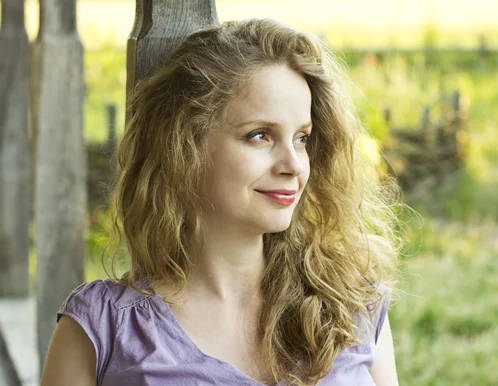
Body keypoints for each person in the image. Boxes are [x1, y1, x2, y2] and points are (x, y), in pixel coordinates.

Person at [41, 18, 403, 386]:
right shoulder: (102, 330)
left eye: (302, 138)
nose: (293, 165)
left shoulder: (351, 307)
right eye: (260, 135)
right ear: (185, 145)